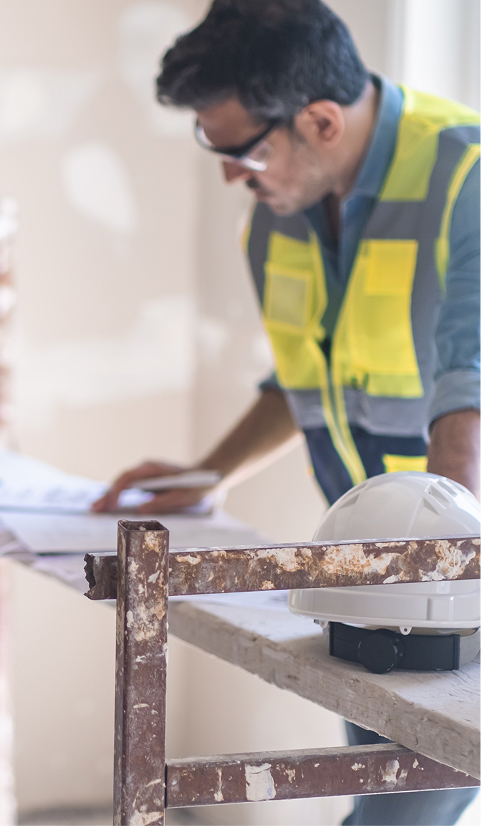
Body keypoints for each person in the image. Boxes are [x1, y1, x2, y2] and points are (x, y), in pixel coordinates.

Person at [94, 2, 480, 823]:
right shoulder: (281, 217)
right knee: (376, 782)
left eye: (240, 149)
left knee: (400, 808)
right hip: (363, 568)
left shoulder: (465, 171)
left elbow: (470, 378)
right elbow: (307, 382)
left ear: (321, 121)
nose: (230, 173)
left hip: (446, 573)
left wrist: (444, 572)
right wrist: (211, 472)